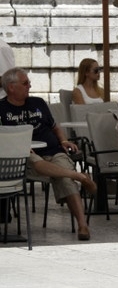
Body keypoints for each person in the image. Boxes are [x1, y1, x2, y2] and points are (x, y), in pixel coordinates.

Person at [0, 68, 96, 240]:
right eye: (25, 83)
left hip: (53, 151)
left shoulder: (38, 103)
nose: (30, 86)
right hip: (24, 156)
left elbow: (55, 127)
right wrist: (17, 145)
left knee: (65, 180)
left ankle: (83, 225)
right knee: (37, 161)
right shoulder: (1, 109)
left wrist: (64, 141)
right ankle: (79, 176)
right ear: (11, 87)